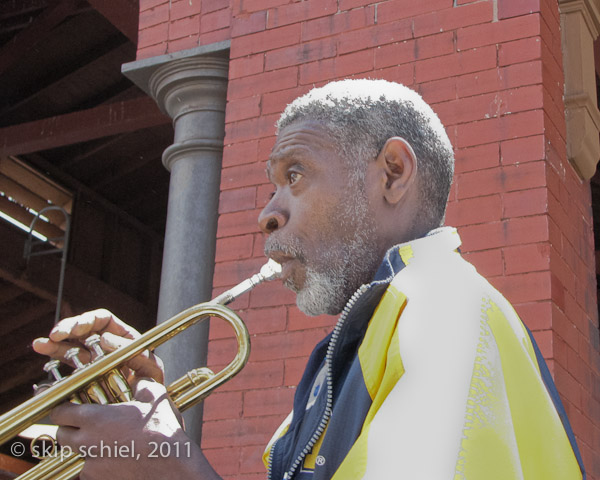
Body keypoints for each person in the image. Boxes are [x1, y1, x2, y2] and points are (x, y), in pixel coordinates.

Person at [33, 79, 585, 479]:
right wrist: (149, 428)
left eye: (294, 174)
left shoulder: (444, 311)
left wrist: (170, 466)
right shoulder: (350, 358)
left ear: (393, 173)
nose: (267, 213)